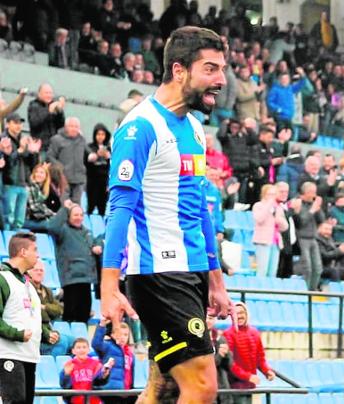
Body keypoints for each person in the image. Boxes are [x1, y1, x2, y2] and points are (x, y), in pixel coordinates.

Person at [101, 27, 234, 404]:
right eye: (210, 69)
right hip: (158, 274)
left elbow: (200, 207)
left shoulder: (193, 127)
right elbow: (119, 208)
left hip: (189, 271)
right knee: (203, 387)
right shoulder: (139, 127)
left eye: (221, 69)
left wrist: (216, 279)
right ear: (179, 70)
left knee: (164, 388)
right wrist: (109, 289)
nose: (221, 80)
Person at [0, 232, 56, 404]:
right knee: (15, 401)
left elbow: (29, 316)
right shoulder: (3, 279)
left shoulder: (27, 284)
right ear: (23, 252)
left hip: (29, 355)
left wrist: (46, 334)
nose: (38, 254)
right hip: (8, 354)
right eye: (35, 249)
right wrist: (17, 334)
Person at [47, 200, 102, 323]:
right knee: (70, 314)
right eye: (75, 215)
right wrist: (65, 209)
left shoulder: (87, 231)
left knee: (84, 314)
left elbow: (96, 241)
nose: (79, 218)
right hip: (71, 278)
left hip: (87, 278)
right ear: (69, 216)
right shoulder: (63, 230)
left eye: (81, 215)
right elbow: (51, 227)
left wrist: (98, 246)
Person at [224, 302, 275, 404]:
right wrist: (248, 376)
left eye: (242, 313)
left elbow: (260, 359)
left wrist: (267, 371)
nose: (239, 316)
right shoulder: (228, 334)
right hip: (235, 387)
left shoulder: (255, 333)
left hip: (250, 386)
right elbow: (230, 364)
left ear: (247, 314)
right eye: (236, 313)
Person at [1, 113, 40, 230]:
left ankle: (16, 242)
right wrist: (20, 150)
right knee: (8, 217)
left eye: (20, 123)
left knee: (19, 220)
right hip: (9, 183)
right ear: (8, 124)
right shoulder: (3, 140)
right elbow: (6, 164)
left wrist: (33, 153)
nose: (19, 126)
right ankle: (6, 242)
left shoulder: (23, 140)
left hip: (23, 183)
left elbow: (32, 165)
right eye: (15, 123)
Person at [29, 260, 72, 357]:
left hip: (49, 329)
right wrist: (48, 310)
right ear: (29, 272)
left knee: (74, 342)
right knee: (63, 342)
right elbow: (36, 313)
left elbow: (59, 310)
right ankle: (47, 368)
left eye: (41, 270)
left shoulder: (47, 290)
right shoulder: (27, 289)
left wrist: (44, 307)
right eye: (36, 270)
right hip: (36, 335)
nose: (39, 272)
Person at [292, 182, 325, 290]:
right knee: (307, 268)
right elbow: (300, 222)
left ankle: (313, 289)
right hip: (302, 238)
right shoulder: (298, 203)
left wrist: (318, 208)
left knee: (318, 267)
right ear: (305, 193)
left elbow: (321, 220)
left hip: (313, 238)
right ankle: (305, 291)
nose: (314, 195)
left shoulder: (313, 205)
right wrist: (312, 211)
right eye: (312, 192)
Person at [47, 117, 88, 204]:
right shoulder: (56, 139)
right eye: (71, 126)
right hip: (63, 179)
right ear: (65, 127)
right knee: (64, 206)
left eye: (76, 127)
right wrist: (60, 168)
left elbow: (87, 154)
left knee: (76, 206)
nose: (74, 129)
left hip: (79, 179)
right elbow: (50, 156)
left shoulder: (82, 140)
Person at [92, 319, 135, 401]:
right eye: (120, 334)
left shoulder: (130, 353)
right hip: (108, 391)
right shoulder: (108, 346)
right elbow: (96, 343)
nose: (123, 337)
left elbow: (131, 374)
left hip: (124, 392)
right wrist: (102, 325)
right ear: (112, 335)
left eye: (126, 335)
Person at [60, 338, 112, 404]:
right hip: (76, 401)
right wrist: (66, 375)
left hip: (94, 401)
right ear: (73, 351)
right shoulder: (69, 365)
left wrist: (104, 375)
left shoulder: (96, 364)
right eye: (78, 347)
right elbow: (64, 385)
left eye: (84, 347)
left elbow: (100, 382)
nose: (82, 350)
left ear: (88, 350)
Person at [252, 184, 288, 277]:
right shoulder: (258, 205)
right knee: (262, 269)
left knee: (272, 271)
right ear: (264, 194)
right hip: (263, 241)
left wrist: (279, 220)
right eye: (270, 194)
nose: (272, 197)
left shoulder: (278, 208)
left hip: (275, 242)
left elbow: (285, 227)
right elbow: (259, 219)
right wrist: (268, 206)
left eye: (274, 194)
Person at [27, 83, 66, 150]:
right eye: (46, 93)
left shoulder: (53, 105)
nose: (49, 95)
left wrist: (60, 111)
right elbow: (34, 123)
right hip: (40, 146)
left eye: (50, 93)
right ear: (39, 94)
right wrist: (48, 112)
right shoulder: (33, 106)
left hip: (53, 146)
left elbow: (61, 126)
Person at [86, 123, 112, 215]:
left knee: (102, 206)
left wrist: (108, 157)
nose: (100, 137)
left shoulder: (109, 148)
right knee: (90, 205)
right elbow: (86, 161)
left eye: (102, 134)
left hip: (104, 180)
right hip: (92, 180)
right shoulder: (89, 147)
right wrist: (96, 155)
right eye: (98, 134)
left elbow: (112, 165)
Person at [25, 163, 56, 231]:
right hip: (27, 220)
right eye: (36, 172)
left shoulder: (42, 189)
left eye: (41, 173)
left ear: (46, 176)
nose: (38, 174)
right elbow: (34, 207)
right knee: (54, 225)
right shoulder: (30, 186)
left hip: (37, 219)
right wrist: (53, 215)